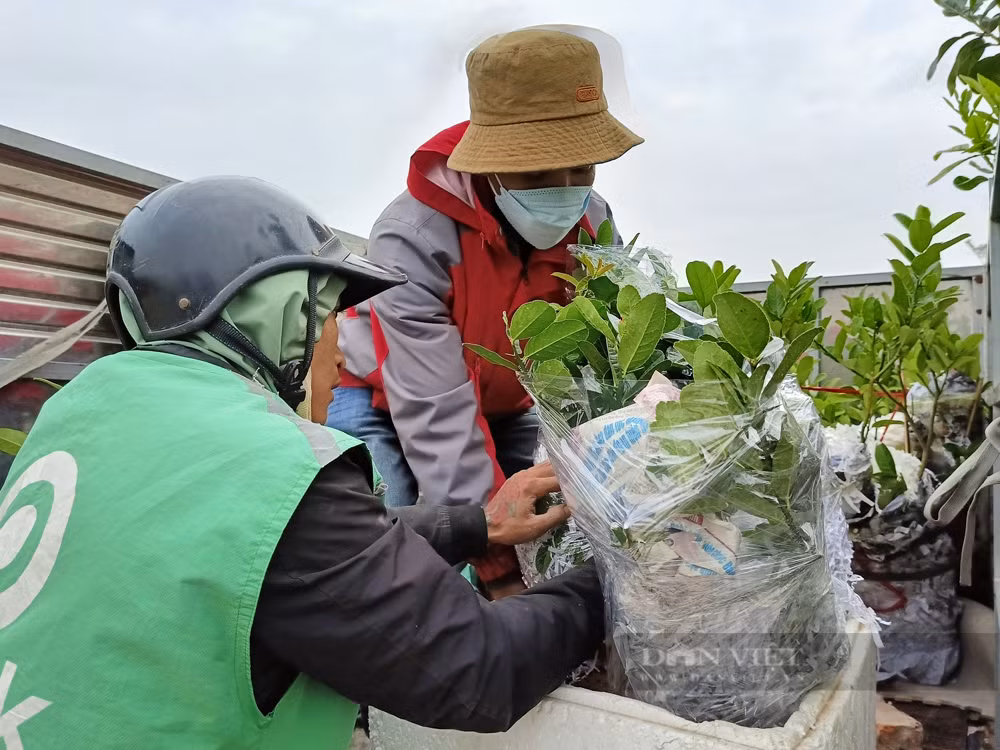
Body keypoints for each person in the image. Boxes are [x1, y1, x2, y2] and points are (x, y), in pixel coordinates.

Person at [0, 176, 604, 750]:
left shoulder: (82, 411)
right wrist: (616, 576)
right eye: (330, 314)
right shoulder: (265, 460)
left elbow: (262, 550)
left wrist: (478, 524)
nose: (342, 353)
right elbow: (478, 669)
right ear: (283, 315)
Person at [327, 28, 643, 598]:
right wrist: (500, 567)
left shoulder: (592, 222)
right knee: (380, 552)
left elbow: (606, 353)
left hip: (508, 408)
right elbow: (435, 411)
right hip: (385, 403)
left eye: (581, 168)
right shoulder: (415, 235)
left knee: (556, 524)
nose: (564, 189)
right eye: (537, 172)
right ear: (490, 163)